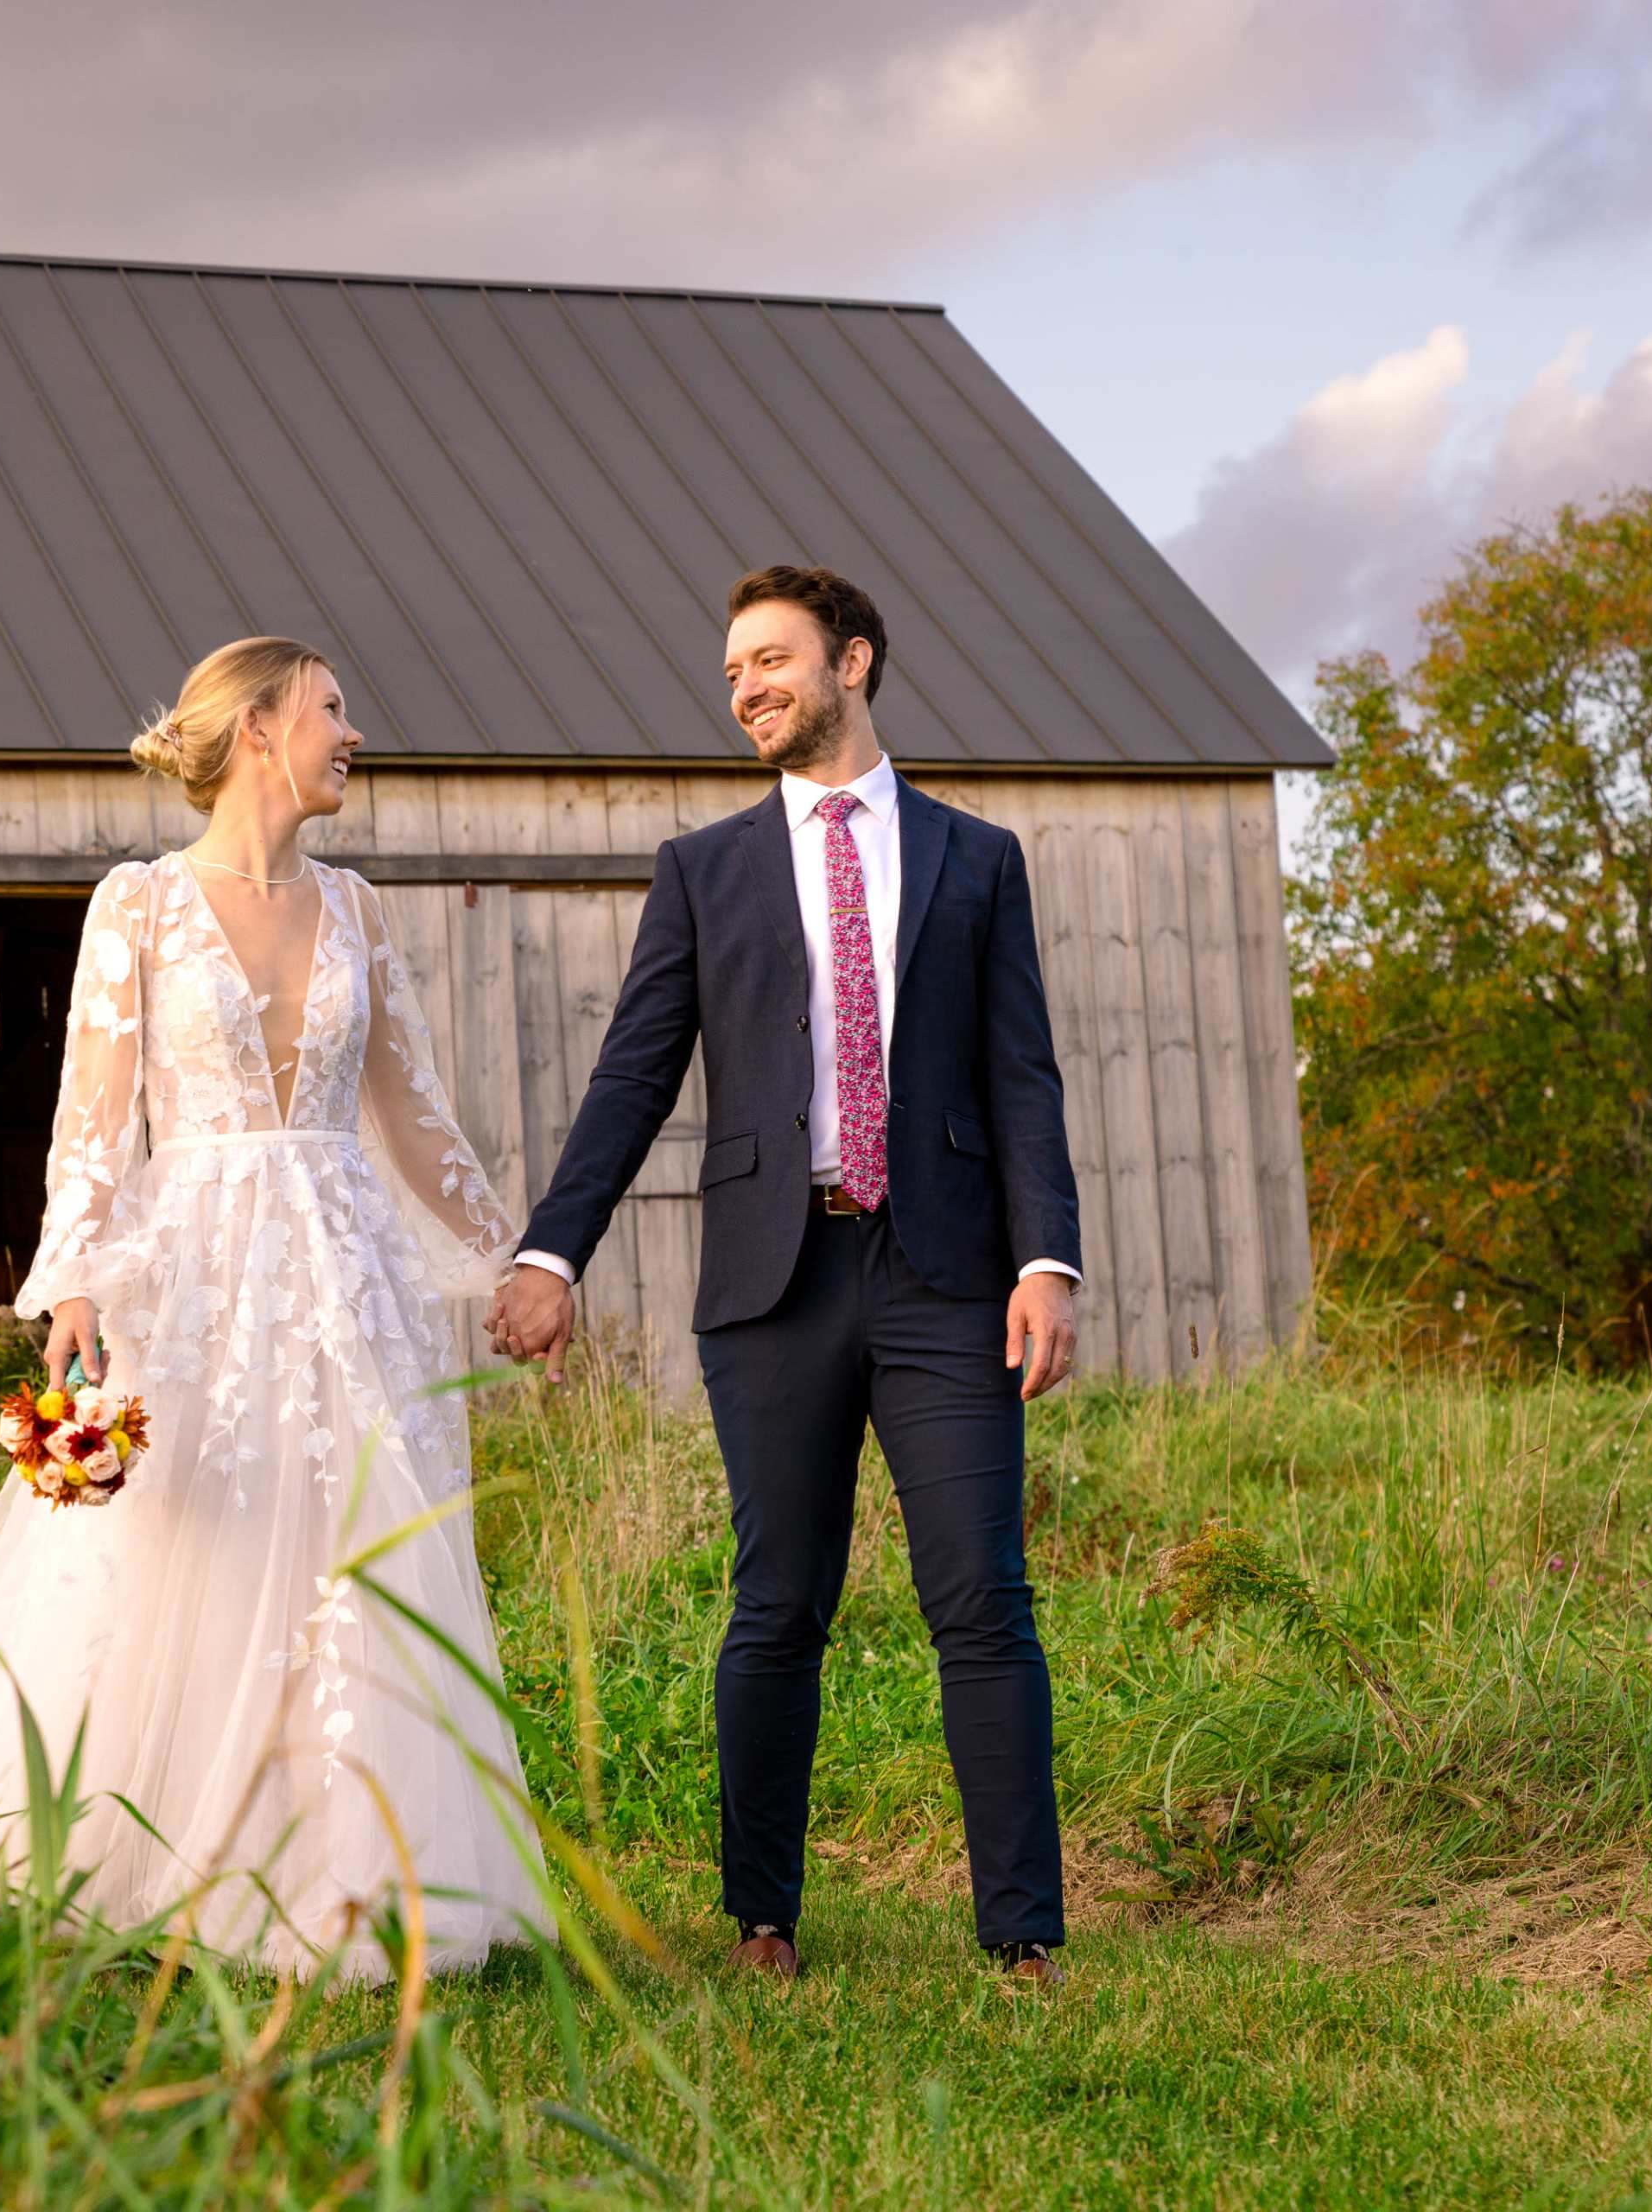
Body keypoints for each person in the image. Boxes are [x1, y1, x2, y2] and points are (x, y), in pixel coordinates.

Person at [0, 638, 548, 1980]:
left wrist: (517, 1260)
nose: (355, 733)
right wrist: (75, 1278)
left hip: (347, 1278)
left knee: (353, 1552)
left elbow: (411, 1112)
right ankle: (120, 1858)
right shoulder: (140, 906)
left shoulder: (361, 910)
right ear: (264, 727)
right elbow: (89, 1117)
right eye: (335, 709)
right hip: (199, 1269)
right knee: (181, 1550)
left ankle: (345, 1878)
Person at [488, 565, 1086, 1986]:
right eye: (733, 672)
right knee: (778, 1607)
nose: (746, 686)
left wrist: (1046, 1258)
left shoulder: (975, 858)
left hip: (945, 1274)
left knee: (983, 1602)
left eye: (771, 660)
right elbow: (637, 1073)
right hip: (772, 1282)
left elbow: (1023, 1077)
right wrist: (552, 1248)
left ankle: (1023, 1935)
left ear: (853, 662)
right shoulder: (706, 869)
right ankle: (761, 1921)